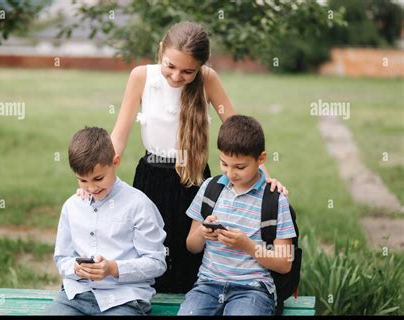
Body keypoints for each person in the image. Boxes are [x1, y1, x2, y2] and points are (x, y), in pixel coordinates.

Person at [79, 21, 288, 293]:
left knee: (190, 255)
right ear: (161, 51)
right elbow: (118, 135)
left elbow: (238, 133)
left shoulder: (209, 79)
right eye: (170, 66)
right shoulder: (141, 76)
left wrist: (266, 181)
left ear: (201, 66)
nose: (176, 76)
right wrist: (92, 179)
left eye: (188, 71)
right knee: (149, 251)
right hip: (152, 177)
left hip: (195, 179)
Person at [178, 115, 296, 315]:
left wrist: (247, 246)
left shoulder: (275, 201)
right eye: (224, 164)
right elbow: (192, 246)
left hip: (252, 290)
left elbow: (284, 264)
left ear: (261, 159)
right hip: (208, 285)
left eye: (240, 167)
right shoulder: (210, 189)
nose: (231, 173)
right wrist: (203, 232)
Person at [45, 127, 167, 315]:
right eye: (83, 181)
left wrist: (113, 268)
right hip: (77, 296)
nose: (92, 187)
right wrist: (76, 268)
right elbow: (62, 258)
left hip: (124, 299)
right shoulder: (72, 206)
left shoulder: (139, 204)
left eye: (98, 178)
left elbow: (156, 262)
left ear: (115, 162)